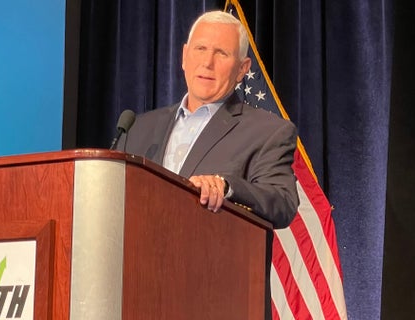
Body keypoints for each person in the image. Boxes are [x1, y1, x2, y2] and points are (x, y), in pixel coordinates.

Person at [117, 10, 299, 229]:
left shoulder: (268, 132)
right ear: (184, 56)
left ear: (242, 69)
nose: (207, 62)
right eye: (200, 49)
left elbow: (282, 202)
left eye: (221, 53)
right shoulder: (137, 128)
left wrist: (227, 187)